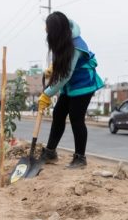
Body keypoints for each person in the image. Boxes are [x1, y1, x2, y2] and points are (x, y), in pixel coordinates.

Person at [37, 11, 104, 168]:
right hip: (70, 86)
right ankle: (50, 152)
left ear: (57, 31)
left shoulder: (76, 46)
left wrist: (46, 94)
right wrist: (53, 68)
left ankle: (80, 158)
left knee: (76, 118)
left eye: (48, 29)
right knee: (58, 113)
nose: (46, 32)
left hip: (83, 85)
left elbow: (66, 74)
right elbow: (62, 61)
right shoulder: (63, 39)